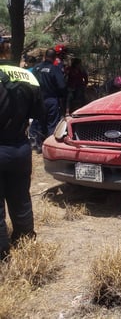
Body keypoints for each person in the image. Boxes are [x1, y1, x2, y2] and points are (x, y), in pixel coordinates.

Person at [0, 39, 46, 261]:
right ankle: (26, 245)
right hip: (20, 148)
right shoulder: (27, 75)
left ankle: (3, 257)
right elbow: (39, 113)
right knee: (21, 199)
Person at [33, 48, 67, 139]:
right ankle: (48, 144)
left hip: (38, 100)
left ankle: (38, 144)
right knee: (51, 124)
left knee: (39, 122)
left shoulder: (36, 68)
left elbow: (31, 83)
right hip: (51, 100)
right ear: (54, 58)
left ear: (45, 56)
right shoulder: (55, 69)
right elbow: (62, 86)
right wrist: (62, 96)